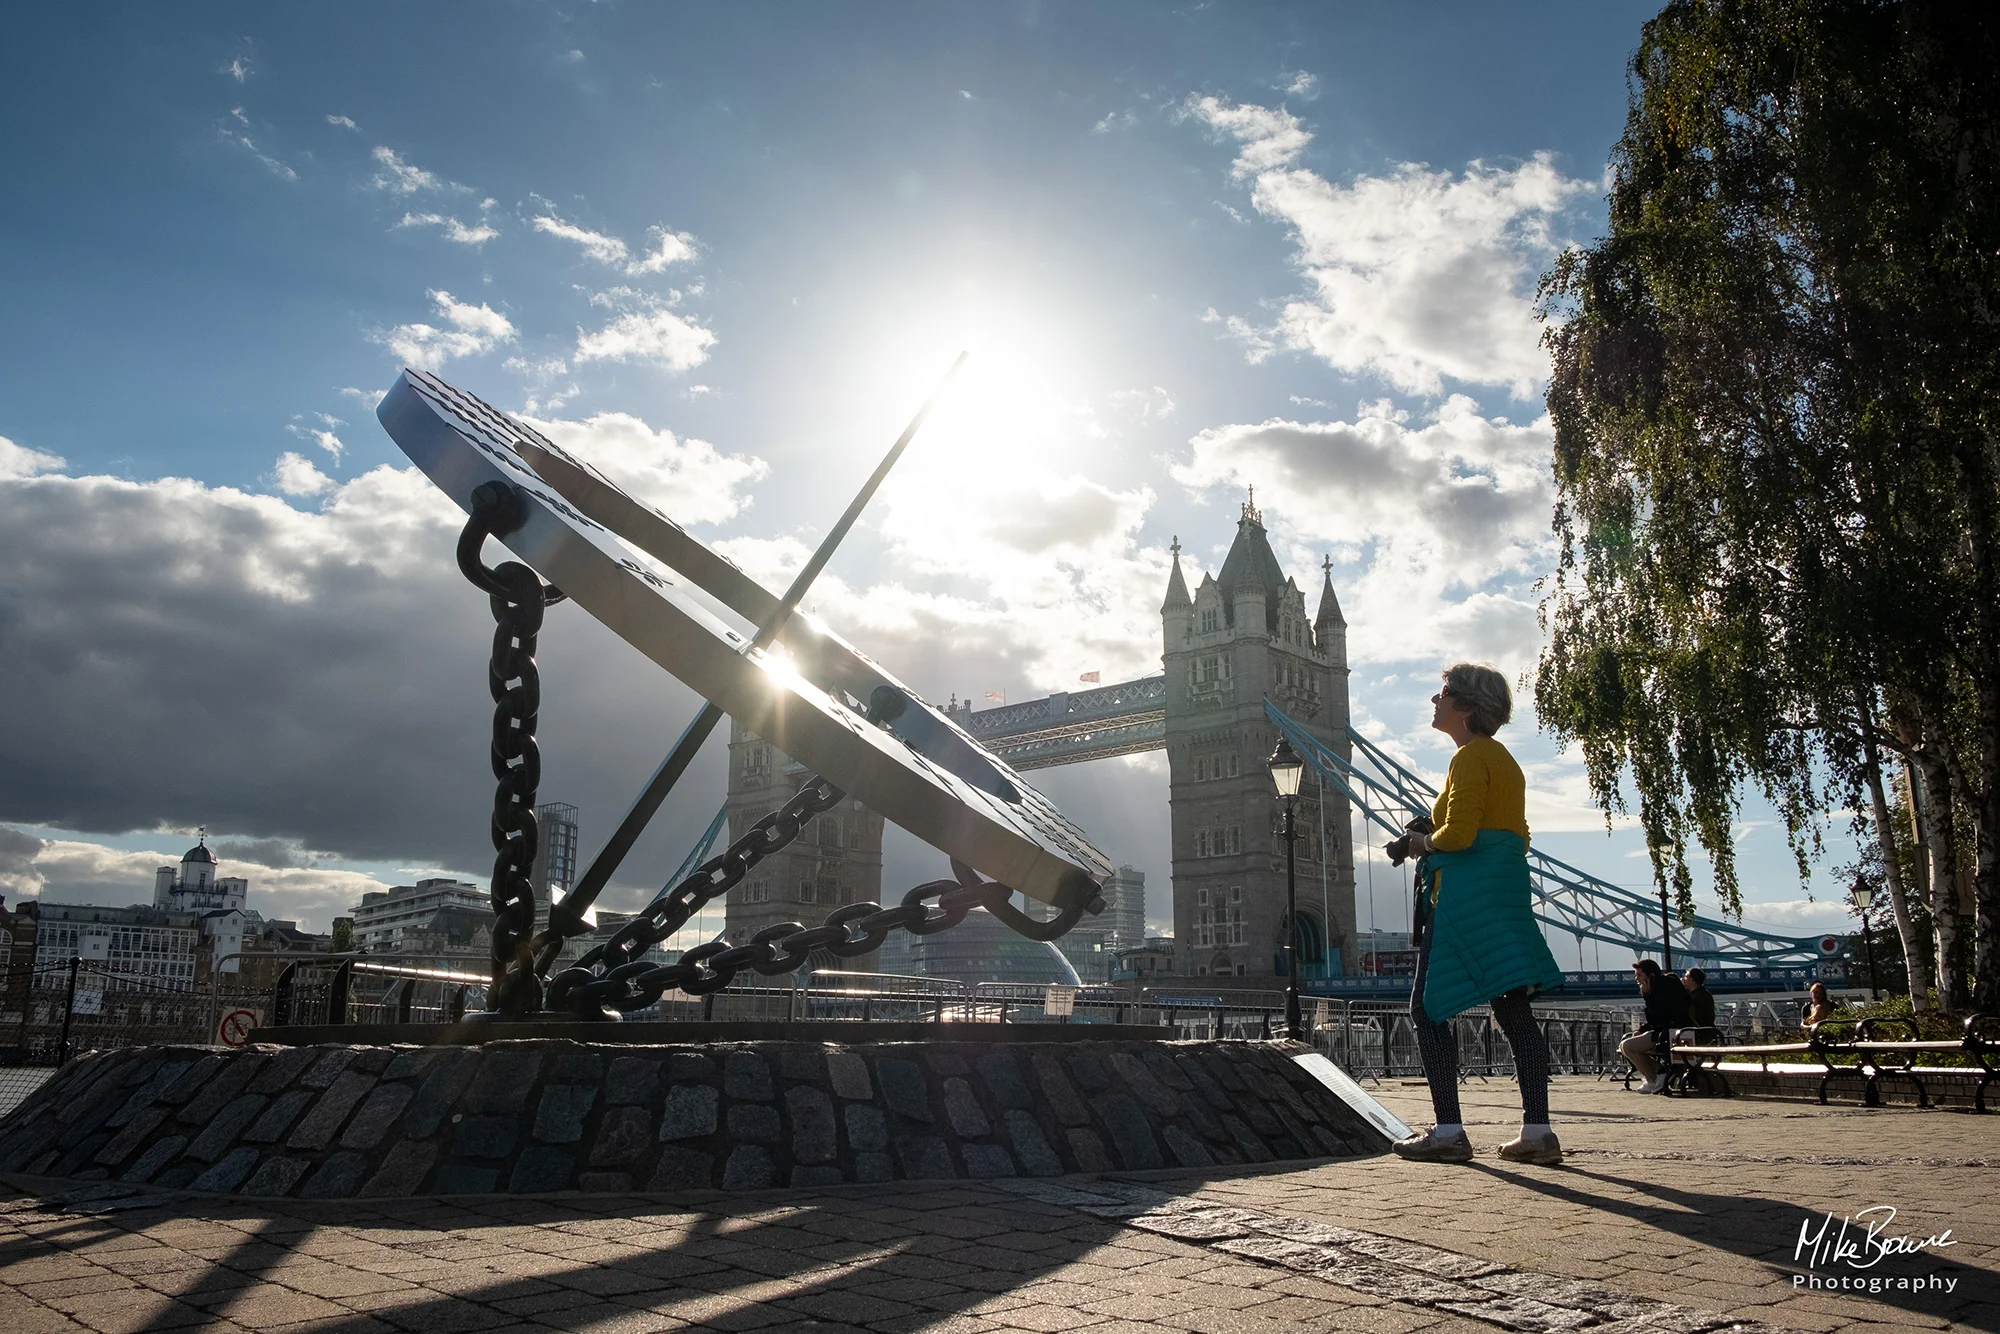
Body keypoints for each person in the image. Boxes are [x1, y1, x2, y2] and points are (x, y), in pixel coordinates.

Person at [1388, 663, 1567, 1166]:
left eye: (1442, 693)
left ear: (1465, 706)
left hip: (1464, 905)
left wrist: (1420, 841)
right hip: (1503, 898)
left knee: (1425, 1010)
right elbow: (1510, 832)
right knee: (1513, 1013)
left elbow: (1461, 838)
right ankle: (1538, 1132)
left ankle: (1448, 1132)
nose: (1434, 700)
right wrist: (1434, 824)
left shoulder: (1468, 758)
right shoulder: (1503, 760)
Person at [1619, 959, 1691, 1093]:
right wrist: (1641, 1030)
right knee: (1625, 1045)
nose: (1636, 978)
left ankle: (1654, 1078)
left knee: (1627, 1046)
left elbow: (1659, 1016)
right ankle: (1659, 1072)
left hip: (1670, 1034)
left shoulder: (1663, 988)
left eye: (1639, 975)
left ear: (1650, 975)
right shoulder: (1661, 985)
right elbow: (1656, 1018)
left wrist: (1647, 996)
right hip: (1665, 1032)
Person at [1682, 967, 1718, 1037]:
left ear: (1692, 981)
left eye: (1686, 977)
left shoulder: (1696, 997)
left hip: (1700, 1032)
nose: (1683, 979)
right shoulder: (1705, 994)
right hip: (1708, 1031)